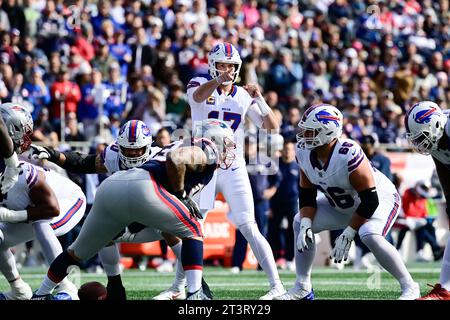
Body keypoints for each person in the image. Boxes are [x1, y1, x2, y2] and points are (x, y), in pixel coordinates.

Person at [31, 119, 235, 300]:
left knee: (75, 253)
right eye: (226, 144)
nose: (229, 150)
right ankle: (195, 292)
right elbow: (176, 159)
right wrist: (182, 195)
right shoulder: (205, 148)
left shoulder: (169, 148)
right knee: (193, 230)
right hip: (144, 190)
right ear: (215, 140)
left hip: (111, 190)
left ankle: (41, 294)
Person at [276, 103, 420, 300]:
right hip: (343, 204)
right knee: (299, 222)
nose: (304, 136)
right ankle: (302, 287)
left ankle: (410, 286)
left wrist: (349, 232)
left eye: (311, 131)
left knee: (368, 233)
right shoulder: (303, 151)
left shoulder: (348, 152)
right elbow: (306, 192)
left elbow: (370, 200)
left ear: (327, 133)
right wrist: (307, 223)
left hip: (380, 199)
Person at [177, 41, 284, 300]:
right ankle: (182, 288)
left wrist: (259, 99)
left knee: (249, 224)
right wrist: (218, 81)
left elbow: (272, 127)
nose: (228, 70)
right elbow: (199, 97)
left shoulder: (243, 95)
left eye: (232, 66)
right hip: (202, 165)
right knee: (194, 226)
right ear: (213, 66)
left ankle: (277, 287)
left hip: (233, 165)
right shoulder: (198, 83)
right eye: (223, 65)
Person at [0, 103, 85, 300]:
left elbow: (51, 209)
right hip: (35, 210)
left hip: (67, 201)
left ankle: (68, 288)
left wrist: (12, 216)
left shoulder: (23, 172)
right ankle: (18, 290)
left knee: (41, 224)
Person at [404, 101, 450, 299]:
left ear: (436, 126)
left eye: (421, 137)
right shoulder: (436, 138)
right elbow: (442, 165)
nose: (419, 144)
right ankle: (445, 289)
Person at [396, 179, 444, 262]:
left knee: (428, 227)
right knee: (411, 227)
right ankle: (435, 249)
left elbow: (422, 212)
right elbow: (406, 211)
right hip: (406, 220)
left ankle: (423, 251)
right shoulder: (407, 194)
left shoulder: (422, 198)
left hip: (417, 221)